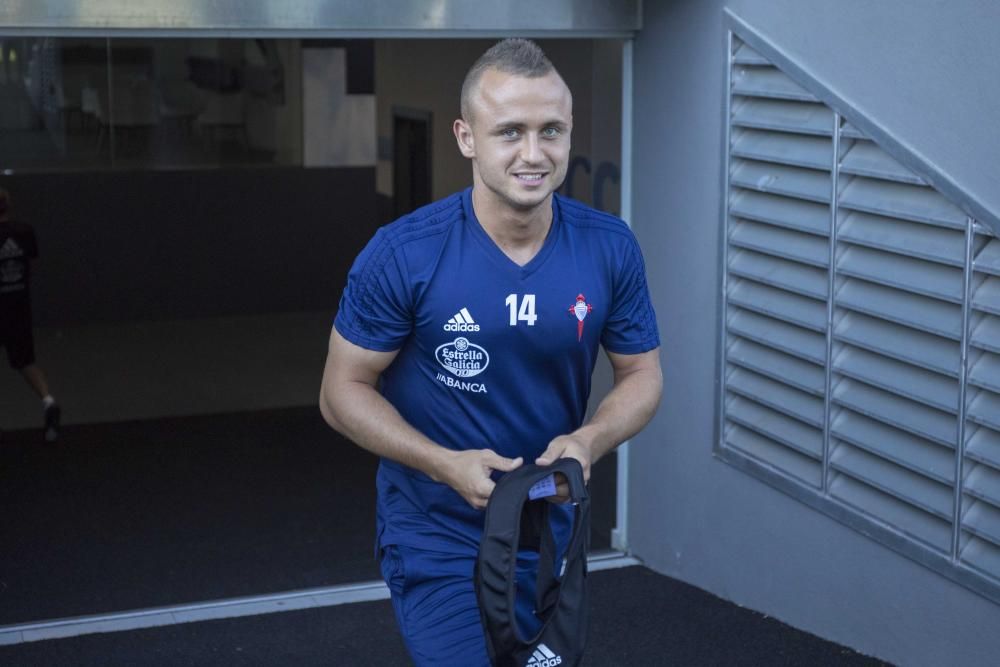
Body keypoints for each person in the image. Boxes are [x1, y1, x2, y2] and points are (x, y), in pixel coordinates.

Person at [319, 39, 662, 666]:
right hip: (437, 528)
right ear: (465, 137)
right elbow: (340, 393)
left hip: (548, 524)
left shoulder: (609, 248)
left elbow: (642, 375)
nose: (533, 153)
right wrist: (440, 461)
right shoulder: (404, 255)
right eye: (509, 131)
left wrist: (589, 442)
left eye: (550, 130)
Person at [0, 187, 60, 443]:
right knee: (26, 362)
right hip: (19, 307)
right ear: (8, 206)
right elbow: (31, 263)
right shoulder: (25, 232)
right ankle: (48, 401)